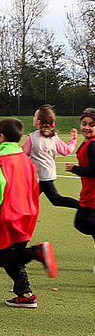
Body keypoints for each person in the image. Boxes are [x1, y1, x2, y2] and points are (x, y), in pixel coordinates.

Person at [0, 118, 57, 308]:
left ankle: (37, 252)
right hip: (29, 212)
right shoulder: (26, 159)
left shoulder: (1, 158)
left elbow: (0, 185)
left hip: (11, 213)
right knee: (15, 254)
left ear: (1, 136)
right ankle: (26, 295)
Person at [22, 104, 79, 209]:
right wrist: (73, 140)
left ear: (39, 121)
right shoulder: (54, 137)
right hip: (48, 174)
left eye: (35, 116)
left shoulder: (32, 138)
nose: (33, 118)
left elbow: (22, 154)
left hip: (40, 177)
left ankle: (83, 206)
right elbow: (66, 150)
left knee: (55, 199)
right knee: (28, 199)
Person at [65, 108, 95, 258]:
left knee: (82, 222)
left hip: (93, 196)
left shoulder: (92, 145)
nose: (87, 128)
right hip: (89, 193)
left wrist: (75, 169)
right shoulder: (88, 142)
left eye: (91, 125)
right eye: (84, 123)